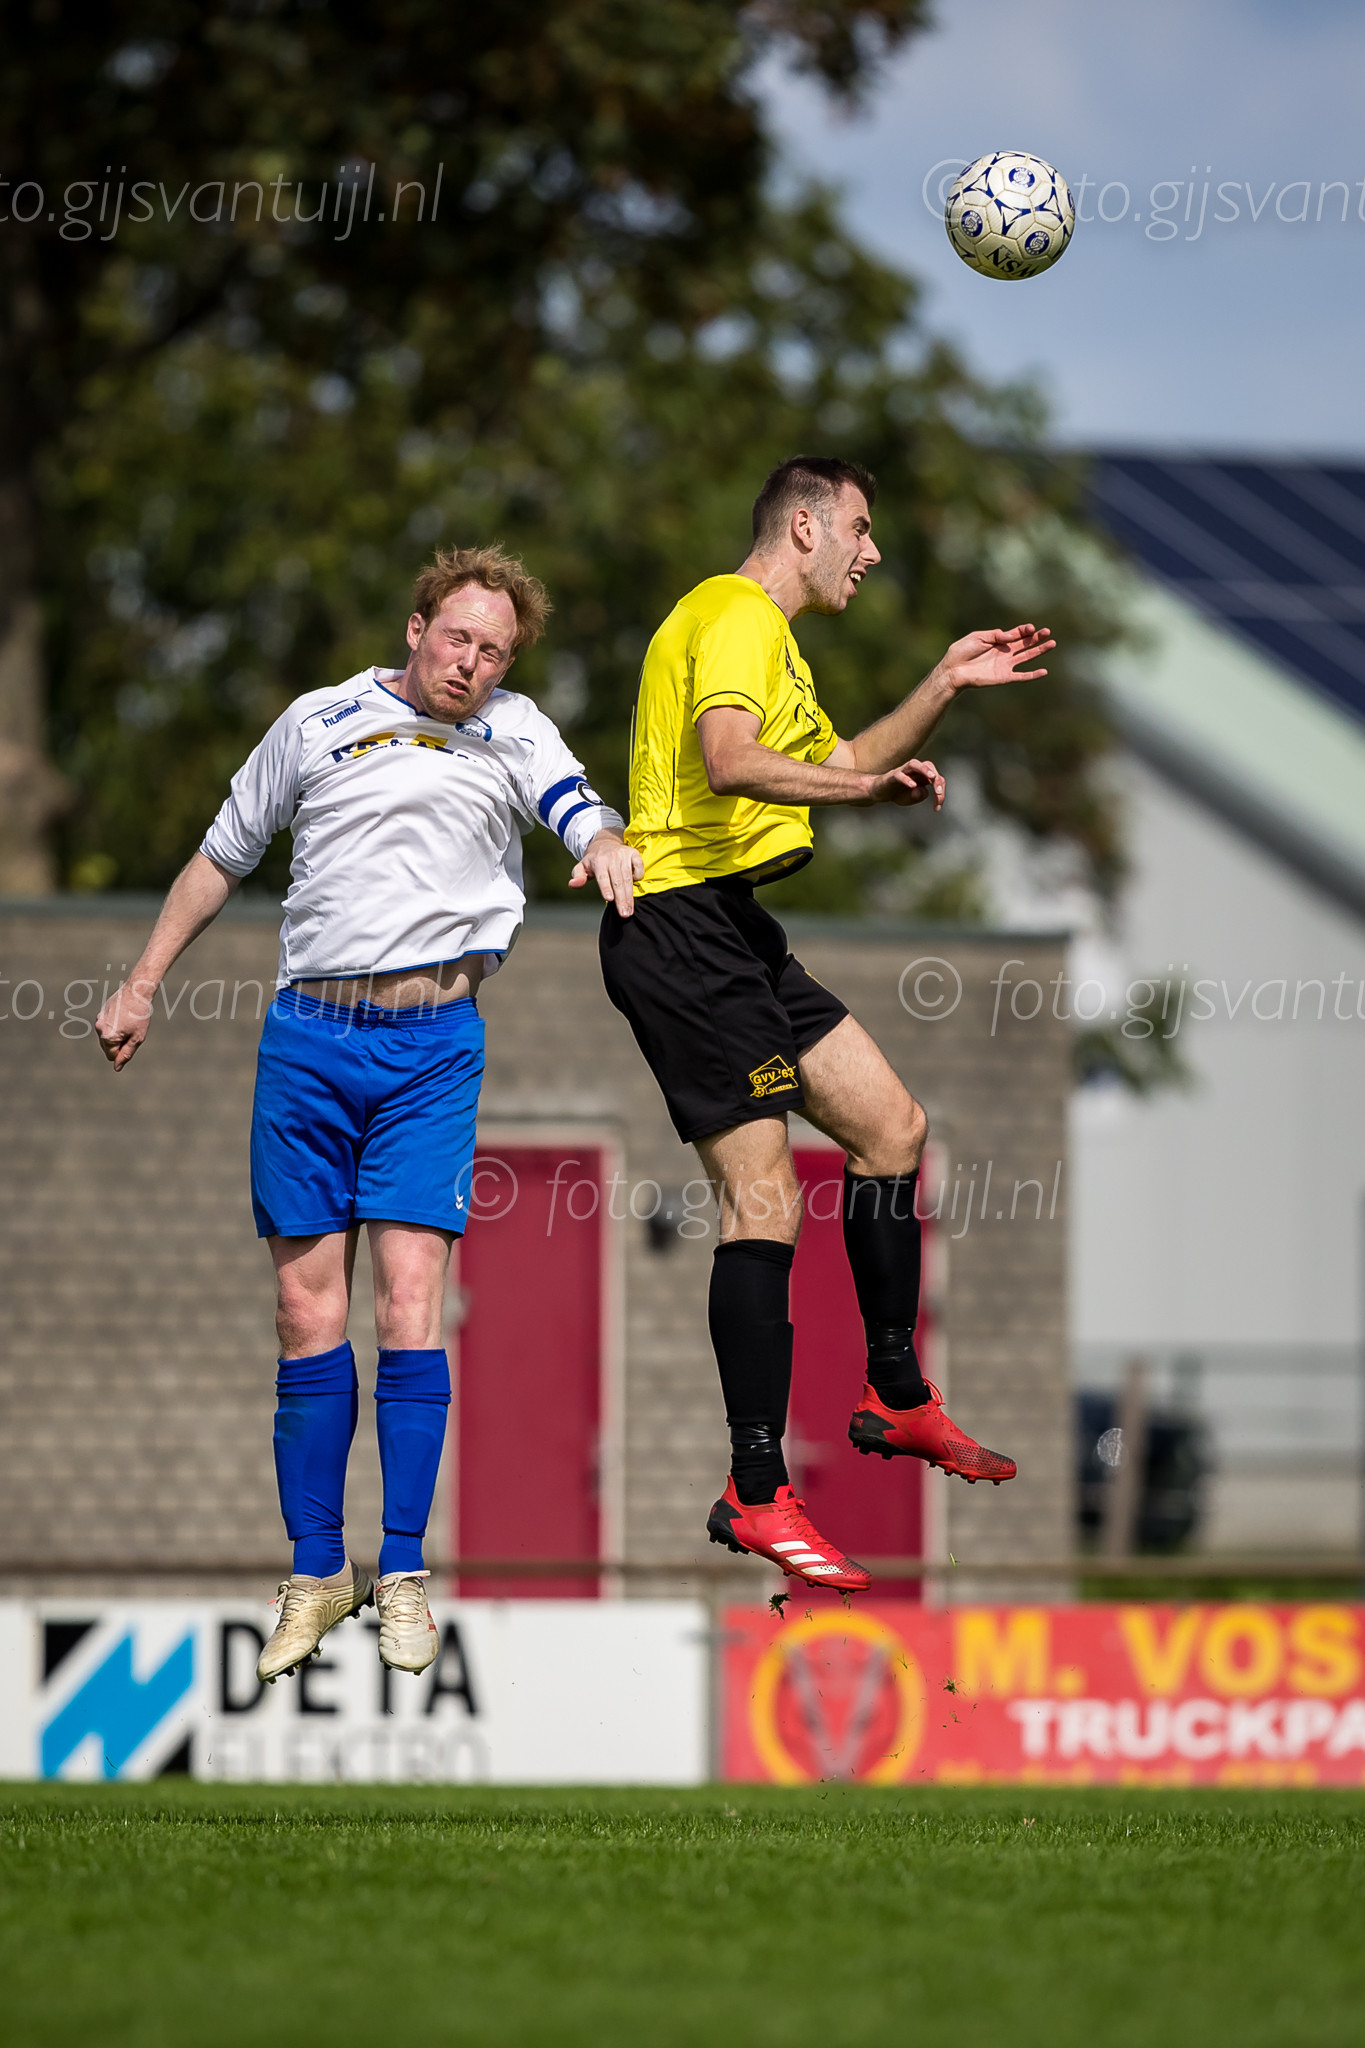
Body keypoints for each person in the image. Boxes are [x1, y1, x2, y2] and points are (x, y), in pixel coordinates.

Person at [96, 544, 639, 1678]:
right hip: (309, 1038)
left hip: (431, 1048)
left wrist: (602, 842)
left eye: (495, 651)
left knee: (409, 1301)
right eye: (460, 638)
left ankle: (400, 1573)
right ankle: (314, 1570)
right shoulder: (317, 720)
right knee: (306, 1312)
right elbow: (220, 858)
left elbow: (576, 806)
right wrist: (142, 980)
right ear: (416, 628)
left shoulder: (515, 730)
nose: (473, 663)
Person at [599, 456, 1054, 1592]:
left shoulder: (770, 638)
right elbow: (731, 762)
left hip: (732, 926)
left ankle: (894, 1393)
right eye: (859, 526)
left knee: (893, 1129)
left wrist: (941, 682)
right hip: (678, 929)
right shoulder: (733, 612)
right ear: (804, 526)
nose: (872, 549)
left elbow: (840, 760)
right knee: (763, 1199)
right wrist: (866, 795)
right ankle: (757, 1488)